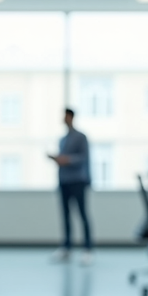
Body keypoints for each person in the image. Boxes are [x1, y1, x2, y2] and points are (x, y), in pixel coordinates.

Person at [48, 108, 93, 265]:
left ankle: (87, 249)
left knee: (82, 214)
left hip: (78, 181)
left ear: (71, 117)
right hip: (64, 181)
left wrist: (67, 160)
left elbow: (84, 158)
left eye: (66, 116)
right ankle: (66, 247)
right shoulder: (62, 139)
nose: (63, 119)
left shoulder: (81, 137)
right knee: (65, 215)